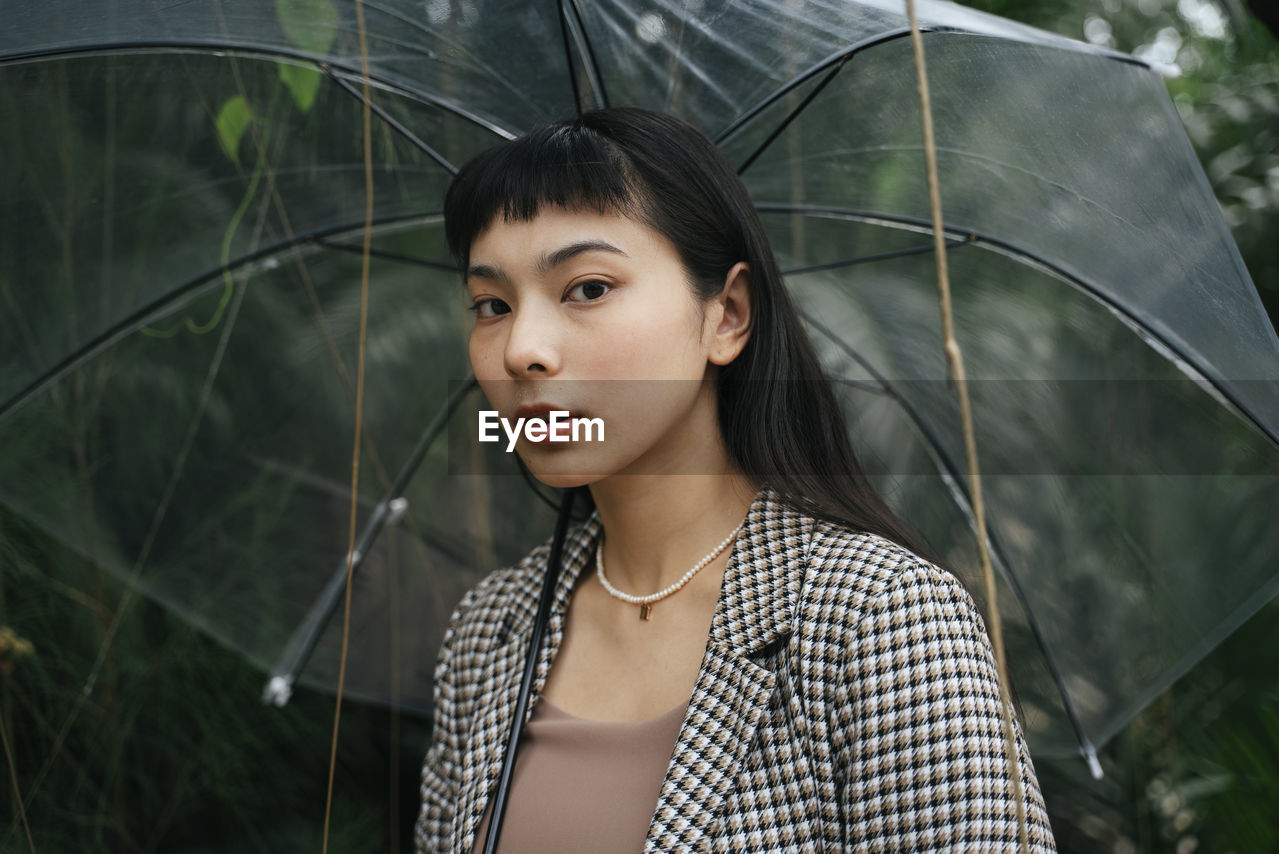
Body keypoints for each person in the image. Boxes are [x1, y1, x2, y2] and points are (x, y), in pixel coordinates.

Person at [415, 107, 1056, 853]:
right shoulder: (491, 631)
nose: (522, 349)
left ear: (728, 315)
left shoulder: (878, 619)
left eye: (587, 288)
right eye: (492, 305)